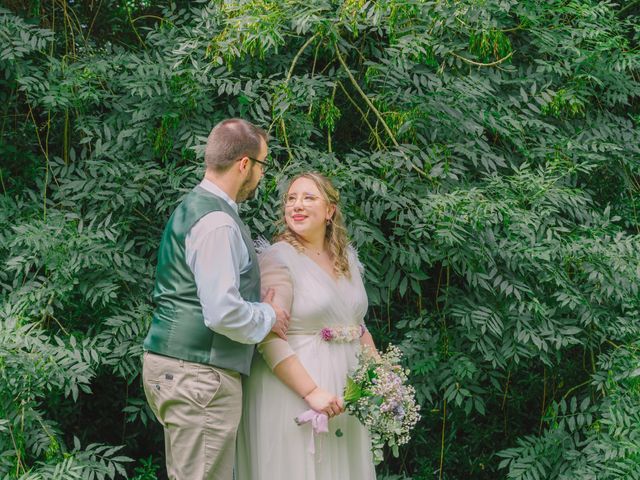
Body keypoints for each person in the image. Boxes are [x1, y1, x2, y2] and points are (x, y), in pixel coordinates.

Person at [141, 118, 290, 480]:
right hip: (199, 376)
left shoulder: (199, 208)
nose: (261, 175)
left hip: (183, 369)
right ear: (244, 164)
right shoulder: (217, 223)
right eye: (262, 165)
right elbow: (222, 312)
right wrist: (269, 315)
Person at [237, 172, 377, 479]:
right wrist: (311, 390)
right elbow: (269, 337)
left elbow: (358, 325)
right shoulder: (277, 259)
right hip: (296, 390)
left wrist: (382, 378)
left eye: (308, 198)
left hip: (345, 389)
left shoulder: (347, 260)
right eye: (291, 199)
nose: (297, 206)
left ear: (329, 211)